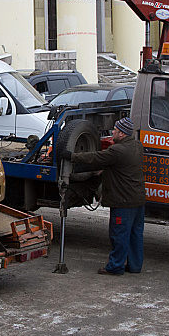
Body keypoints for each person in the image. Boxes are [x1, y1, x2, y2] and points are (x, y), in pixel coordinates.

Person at [62, 116, 146, 276]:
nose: (112, 132)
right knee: (135, 235)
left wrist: (72, 156)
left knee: (119, 234)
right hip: (138, 200)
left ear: (122, 134)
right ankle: (135, 266)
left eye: (115, 130)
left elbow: (95, 157)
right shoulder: (137, 146)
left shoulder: (117, 151)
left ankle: (115, 267)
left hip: (123, 202)